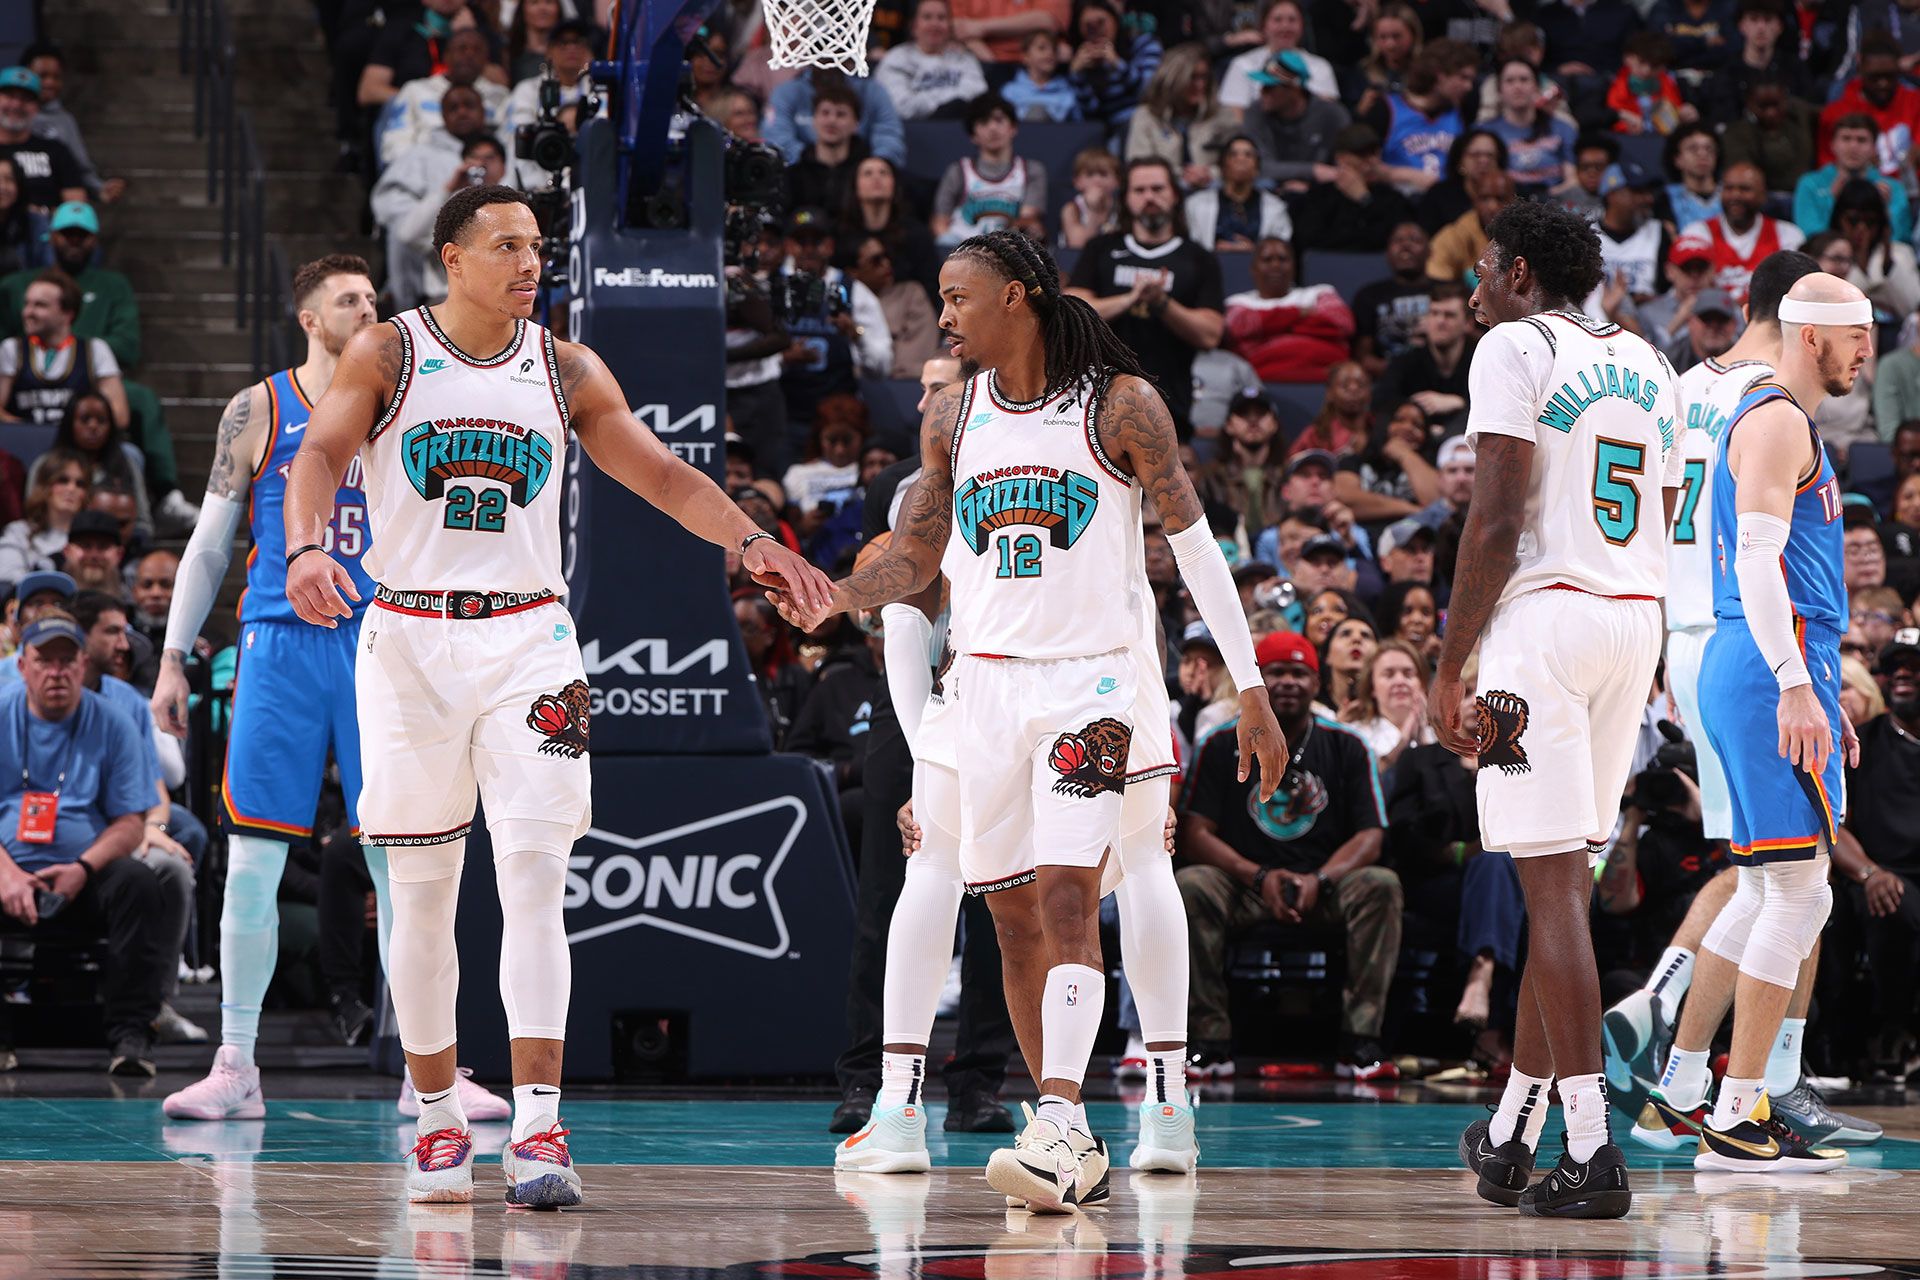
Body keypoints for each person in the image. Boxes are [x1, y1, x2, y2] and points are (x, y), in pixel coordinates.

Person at [279, 186, 829, 1206]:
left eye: (537, 245)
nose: (531, 262)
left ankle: (537, 1125)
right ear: (452, 257)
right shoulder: (391, 354)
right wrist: (307, 545)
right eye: (507, 245)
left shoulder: (565, 364)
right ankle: (438, 1114)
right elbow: (318, 452)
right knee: (424, 891)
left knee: (536, 874)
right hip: (406, 635)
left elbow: (664, 474)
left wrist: (750, 541)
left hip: (531, 635)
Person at [768, 227, 1283, 1208]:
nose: (945, 316)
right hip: (986, 686)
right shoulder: (956, 418)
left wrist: (1249, 685)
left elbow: (1199, 548)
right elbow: (917, 555)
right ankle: (1055, 1128)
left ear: (1018, 298)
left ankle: (1062, 1112)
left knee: (1065, 896)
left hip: (1090, 684)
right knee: (1006, 915)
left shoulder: (1122, 404)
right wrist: (835, 592)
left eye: (959, 298)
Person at [157, 254, 512, 1125]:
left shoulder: (412, 403)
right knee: (251, 858)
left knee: (405, 867)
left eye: (374, 297)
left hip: (383, 640)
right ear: (311, 320)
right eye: (350, 300)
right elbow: (209, 543)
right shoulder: (258, 408)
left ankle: (426, 1072)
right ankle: (236, 1064)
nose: (371, 308)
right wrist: (172, 655)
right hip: (279, 642)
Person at [1436, 199, 1684, 1218]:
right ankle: (1512, 1129)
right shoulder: (1654, 362)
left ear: (1525, 273)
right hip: (1634, 617)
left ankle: (1591, 1149)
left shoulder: (1513, 345)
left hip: (1545, 622)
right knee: (1561, 888)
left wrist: (1452, 660)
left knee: (1549, 889)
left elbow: (1494, 518)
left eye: (1488, 267)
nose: (1477, 285)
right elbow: (1665, 512)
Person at [1641, 272, 1874, 1174]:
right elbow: (1761, 563)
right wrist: (1794, 683)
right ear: (1812, 337)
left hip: (1757, 662)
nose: (1865, 353)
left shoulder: (1771, 415)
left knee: (1764, 888)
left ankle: (1686, 1086)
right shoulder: (1776, 418)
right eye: (1856, 337)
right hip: (1764, 659)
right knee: (1803, 893)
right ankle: (1739, 1115)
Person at [1177, 629, 1401, 1079]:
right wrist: (1258, 877)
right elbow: (1195, 832)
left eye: (1299, 673)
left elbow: (1371, 835)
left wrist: (1320, 880)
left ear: (1317, 685)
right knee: (1192, 885)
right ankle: (1209, 1041)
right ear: (1255, 681)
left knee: (1382, 884)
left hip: (1323, 885)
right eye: (1275, 672)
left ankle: (1360, 1043)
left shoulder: (1347, 744)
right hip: (1245, 887)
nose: (1288, 682)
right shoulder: (1220, 743)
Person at [0, 614, 160, 1074]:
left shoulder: (112, 722)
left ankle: (131, 1037)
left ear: (83, 664)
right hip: (8, 874)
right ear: (22, 666)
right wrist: (8, 875)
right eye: (43, 661)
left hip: (84, 875)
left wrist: (82, 870)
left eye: (66, 660)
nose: (56, 672)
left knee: (140, 882)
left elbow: (131, 822)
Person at [1067, 158, 1225, 437]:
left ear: (1175, 195)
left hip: (1170, 401)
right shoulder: (1101, 249)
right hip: (1097, 397)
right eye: (1139, 191)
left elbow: (1210, 334)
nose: (1149, 197)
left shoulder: (1198, 258)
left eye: (1157, 189)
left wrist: (1162, 303)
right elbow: (1072, 312)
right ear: (1126, 198)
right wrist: (1130, 299)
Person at [1831, 627, 1920, 1078]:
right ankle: (1894, 1030)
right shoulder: (1860, 744)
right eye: (1895, 667)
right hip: (1882, 876)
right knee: (1894, 901)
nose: (1904, 673)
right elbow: (1832, 826)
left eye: (1915, 665)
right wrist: (1868, 872)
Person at [0, 201, 141, 371]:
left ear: (95, 240)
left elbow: (127, 347)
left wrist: (68, 349)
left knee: (140, 396)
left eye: (82, 235)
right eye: (67, 234)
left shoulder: (114, 285)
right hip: (26, 377)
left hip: (93, 377)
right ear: (52, 237)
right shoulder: (14, 285)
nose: (75, 241)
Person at [0, 269, 128, 430]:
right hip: (23, 448)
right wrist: (30, 433)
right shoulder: (11, 349)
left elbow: (119, 415)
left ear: (67, 313)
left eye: (40, 305)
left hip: (78, 449)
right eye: (27, 304)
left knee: (131, 454)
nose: (28, 312)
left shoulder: (95, 350)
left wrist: (76, 435)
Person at [1223, 238, 1354, 385]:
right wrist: (1299, 315)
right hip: (1260, 382)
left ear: (1294, 266)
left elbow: (1343, 323)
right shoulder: (1237, 302)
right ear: (1253, 268)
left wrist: (1268, 328)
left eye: (1283, 259)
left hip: (1325, 378)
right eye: (1267, 260)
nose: (1276, 265)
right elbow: (1237, 328)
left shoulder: (1320, 293)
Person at [375, 27, 509, 167]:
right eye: (462, 48)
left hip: (484, 174)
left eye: (477, 50)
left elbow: (506, 144)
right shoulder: (415, 90)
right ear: (446, 56)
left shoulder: (499, 95)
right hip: (424, 172)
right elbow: (395, 145)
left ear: (486, 59)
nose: (469, 54)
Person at [1361, 39, 1479, 196]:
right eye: (1463, 78)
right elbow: (1364, 164)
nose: (1468, 86)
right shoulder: (1386, 108)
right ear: (1440, 75)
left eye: (1471, 80)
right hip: (1398, 200)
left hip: (1447, 204)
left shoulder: (1462, 111)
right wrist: (1406, 175)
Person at [1680, 162, 1805, 307]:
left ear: (1763, 195)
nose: (1735, 195)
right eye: (1729, 188)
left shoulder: (1788, 235)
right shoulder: (1697, 234)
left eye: (1744, 189)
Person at [930, 94, 1046, 247]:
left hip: (1010, 252)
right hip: (963, 253)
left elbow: (1028, 219)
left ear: (1013, 128)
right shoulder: (958, 171)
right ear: (973, 135)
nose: (992, 128)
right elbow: (940, 222)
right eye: (984, 122)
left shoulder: (1030, 170)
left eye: (999, 120)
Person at [34, 392, 150, 542]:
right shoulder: (45, 464)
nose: (93, 426)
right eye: (85, 419)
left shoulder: (127, 463)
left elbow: (143, 522)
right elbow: (33, 514)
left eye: (101, 420)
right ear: (70, 423)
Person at [1125, 44, 1238, 192]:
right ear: (1173, 79)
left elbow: (1239, 161)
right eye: (1192, 78)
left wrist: (1210, 173)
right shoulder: (1146, 116)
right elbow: (1138, 165)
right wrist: (1180, 175)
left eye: (1203, 77)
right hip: (1162, 191)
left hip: (1214, 189)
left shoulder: (1222, 115)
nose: (1200, 85)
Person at [1288, 125, 1417, 256]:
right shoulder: (1318, 198)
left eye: (1375, 153)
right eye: (1362, 155)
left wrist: (1365, 200)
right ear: (1341, 159)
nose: (1372, 161)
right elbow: (1308, 242)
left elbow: (1395, 240)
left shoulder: (1392, 199)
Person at [1238, 50, 1352, 193]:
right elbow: (1258, 166)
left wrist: (1312, 188)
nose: (1262, 92)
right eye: (1262, 86)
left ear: (1294, 89)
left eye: (1270, 87)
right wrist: (1313, 170)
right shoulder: (1255, 112)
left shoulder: (1332, 114)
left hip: (1324, 194)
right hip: (1272, 194)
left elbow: (1349, 164)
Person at [1795, 115, 1912, 244]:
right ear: (1833, 145)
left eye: (1861, 140)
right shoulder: (1810, 184)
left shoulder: (1892, 187)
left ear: (1874, 148)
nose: (1853, 146)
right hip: (1829, 258)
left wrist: (1883, 210)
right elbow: (1811, 237)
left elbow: (1900, 237)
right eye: (1846, 139)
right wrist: (1831, 202)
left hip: (1877, 257)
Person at [1375, 282, 1473, 425]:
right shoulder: (1405, 362)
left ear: (1468, 324)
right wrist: (1417, 408)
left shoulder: (1481, 360)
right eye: (1434, 313)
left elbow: (1495, 406)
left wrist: (1459, 402)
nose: (1440, 321)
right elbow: (1381, 404)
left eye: (1449, 315)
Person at [876, 0, 990, 121]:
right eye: (927, 17)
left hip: (960, 130)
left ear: (949, 26)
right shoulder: (896, 58)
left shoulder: (963, 58)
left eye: (941, 18)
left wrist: (927, 100)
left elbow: (979, 96)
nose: (935, 24)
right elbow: (901, 106)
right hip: (914, 131)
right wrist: (947, 104)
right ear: (914, 26)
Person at [1218, 0, 1341, 110]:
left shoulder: (1320, 67)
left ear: (1302, 26)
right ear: (1264, 25)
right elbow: (1234, 113)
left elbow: (1327, 113)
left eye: (1292, 20)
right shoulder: (1242, 65)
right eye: (1277, 20)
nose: (1285, 26)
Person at [1065, 0, 1164, 133]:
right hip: (1106, 131)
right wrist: (1077, 76)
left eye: (1101, 22)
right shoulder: (1081, 62)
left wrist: (1117, 64)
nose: (1096, 31)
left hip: (1145, 123)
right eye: (1088, 26)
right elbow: (1088, 114)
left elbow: (1150, 92)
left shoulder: (1144, 44)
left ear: (1115, 20)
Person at [1351, 222, 1435, 377]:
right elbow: (1363, 357)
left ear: (1430, 251)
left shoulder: (1449, 292)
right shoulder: (1369, 296)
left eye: (1415, 240)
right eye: (1398, 241)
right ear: (1387, 252)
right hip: (1389, 379)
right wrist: (1400, 372)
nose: (1406, 246)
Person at [1484, 60, 1577, 197]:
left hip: (1555, 205)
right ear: (1499, 90)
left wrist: (1544, 200)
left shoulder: (1564, 128)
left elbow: (1573, 180)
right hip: (1506, 207)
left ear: (1536, 86)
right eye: (1510, 81)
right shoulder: (1485, 133)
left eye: (1524, 79)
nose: (1517, 86)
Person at [1184, 137, 1291, 253]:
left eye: (1248, 155)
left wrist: (1254, 251)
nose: (1241, 159)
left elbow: (1280, 250)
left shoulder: (1275, 208)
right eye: (1233, 154)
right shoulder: (1196, 204)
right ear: (1222, 166)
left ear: (1257, 168)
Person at [1341, 637, 1432, 772]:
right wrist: (1403, 742)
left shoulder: (1442, 737)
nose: (1400, 681)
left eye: (1408, 674)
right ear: (1372, 687)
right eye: (1389, 675)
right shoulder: (1354, 735)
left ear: (1422, 684)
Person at [0, 68, 86, 210]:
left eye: (26, 99)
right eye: (10, 96)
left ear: (37, 107)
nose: (16, 105)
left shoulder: (57, 151)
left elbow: (76, 211)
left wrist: (42, 214)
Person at [784, 83, 872, 221]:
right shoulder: (793, 177)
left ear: (856, 124)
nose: (832, 121)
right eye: (825, 113)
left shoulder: (867, 174)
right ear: (814, 120)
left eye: (841, 114)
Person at [0, 447, 89, 581]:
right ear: (45, 486)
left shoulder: (93, 540)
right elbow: (6, 577)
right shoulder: (19, 532)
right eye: (63, 480)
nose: (71, 488)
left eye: (80, 484)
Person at [1001, 29, 1081, 121]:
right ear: (1025, 56)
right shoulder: (1009, 91)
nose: (1050, 53)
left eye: (1054, 49)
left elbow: (1078, 124)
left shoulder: (1067, 89)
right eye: (1042, 48)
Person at [1059, 147, 1120, 250]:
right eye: (1090, 174)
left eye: (1103, 174)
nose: (1097, 180)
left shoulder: (1121, 208)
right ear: (1077, 182)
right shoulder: (1072, 208)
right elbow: (1077, 245)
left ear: (1117, 181)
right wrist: (1094, 211)